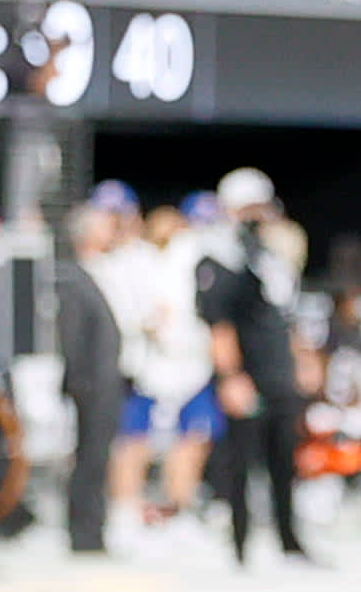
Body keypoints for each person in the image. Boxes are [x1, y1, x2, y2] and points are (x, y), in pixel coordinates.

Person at [197, 167, 316, 567]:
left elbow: (285, 313)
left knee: (285, 459)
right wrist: (230, 376)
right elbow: (219, 324)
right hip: (246, 373)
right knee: (240, 463)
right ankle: (239, 544)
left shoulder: (270, 256)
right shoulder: (218, 257)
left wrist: (301, 358)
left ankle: (288, 539)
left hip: (278, 369)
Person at [111, 201, 223, 542]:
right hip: (151, 368)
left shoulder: (201, 258)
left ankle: (179, 509)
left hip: (192, 367)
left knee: (191, 442)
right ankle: (125, 512)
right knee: (134, 441)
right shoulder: (137, 259)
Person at [55, 203, 126, 556]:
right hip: (91, 384)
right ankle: (84, 535)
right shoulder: (73, 277)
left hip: (106, 381)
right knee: (89, 458)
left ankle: (94, 531)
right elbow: (72, 335)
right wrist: (81, 382)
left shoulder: (104, 272)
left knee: (100, 458)